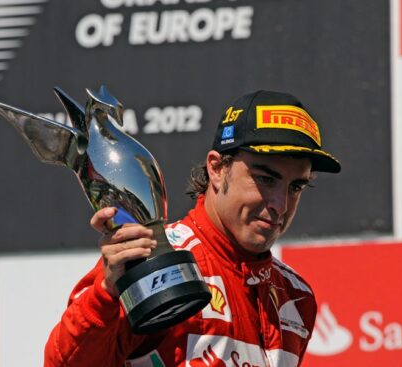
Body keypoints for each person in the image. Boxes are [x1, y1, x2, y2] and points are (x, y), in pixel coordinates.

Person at [44, 90, 341, 366]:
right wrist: (107, 293)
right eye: (265, 178)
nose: (281, 204)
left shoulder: (296, 296)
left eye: (296, 186)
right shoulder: (154, 257)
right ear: (216, 168)